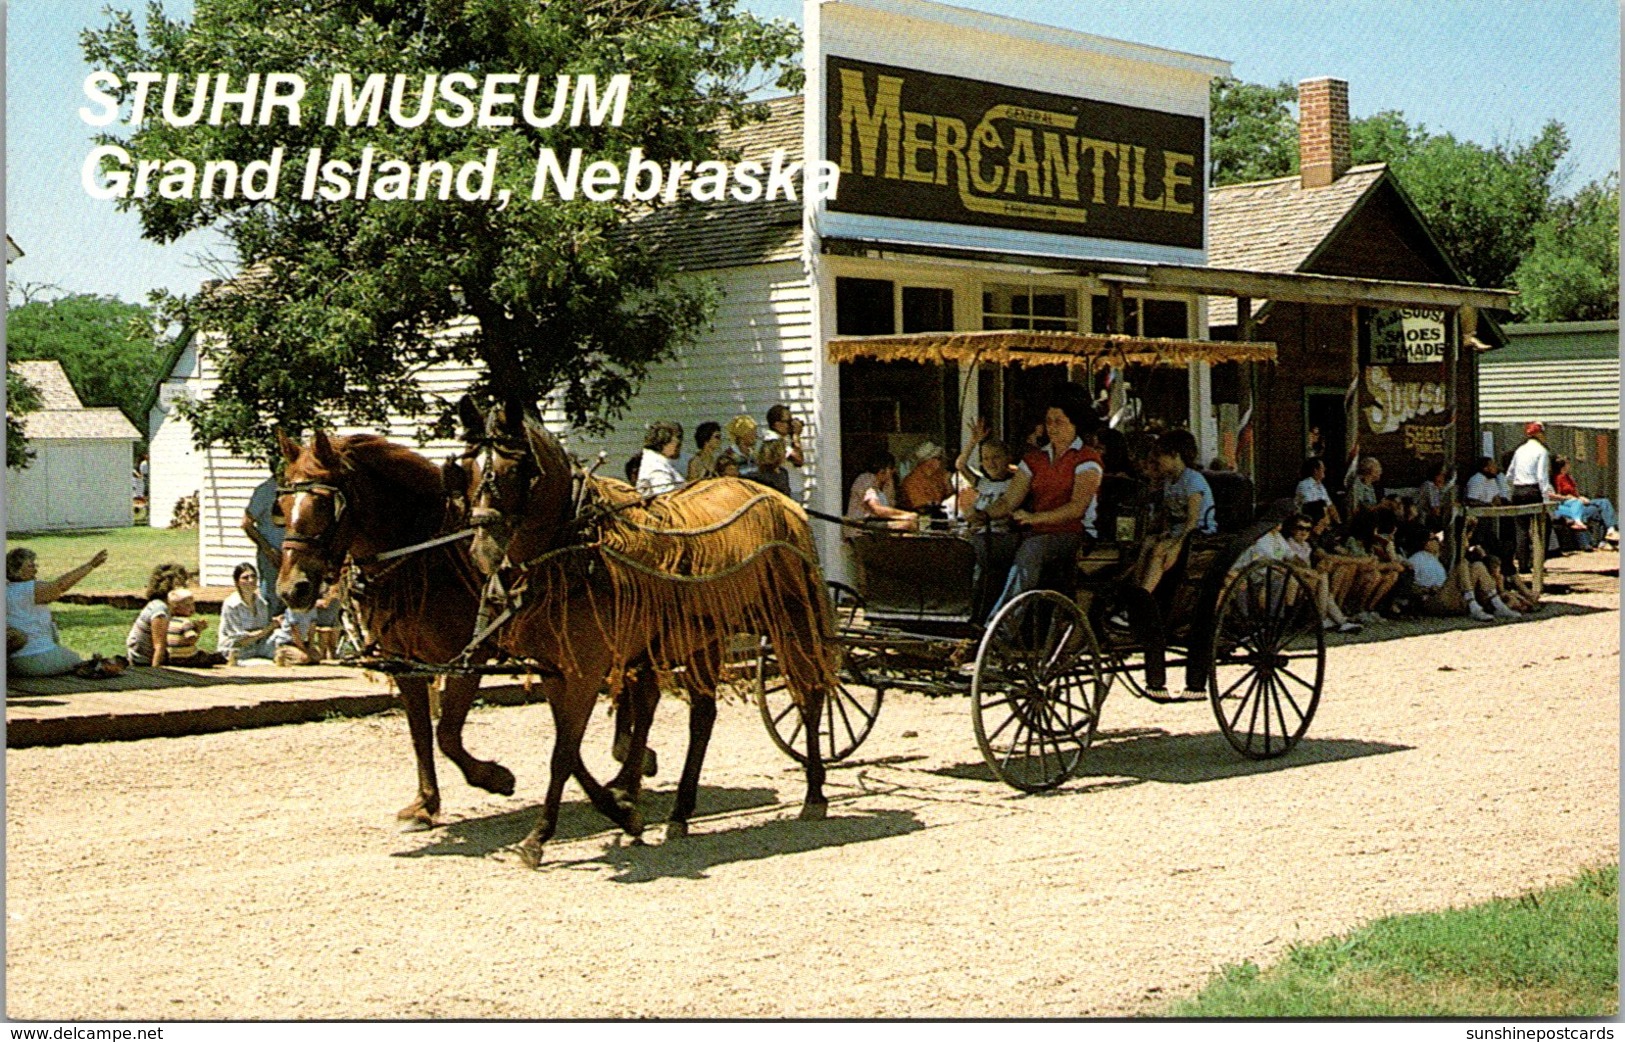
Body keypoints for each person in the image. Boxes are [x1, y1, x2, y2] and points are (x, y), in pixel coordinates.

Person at [985, 389, 1103, 618]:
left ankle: (999, 629)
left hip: (1073, 535)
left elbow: (1077, 508)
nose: (1052, 427)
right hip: (1035, 532)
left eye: (1059, 421)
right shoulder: (1035, 459)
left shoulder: (1087, 459)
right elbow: (1009, 500)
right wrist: (983, 514)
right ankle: (967, 618)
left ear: (1074, 424)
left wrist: (1033, 518)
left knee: (1032, 550)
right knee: (979, 545)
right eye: (1048, 421)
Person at [6, 546, 111, 677]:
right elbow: (60, 586)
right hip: (35, 658)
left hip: (12, 662)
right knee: (78, 660)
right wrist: (90, 565)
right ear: (17, 571)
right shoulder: (28, 589)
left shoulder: (7, 590)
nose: (35, 569)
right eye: (30, 566)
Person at [1134, 430, 1215, 596]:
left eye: (1160, 455)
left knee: (1159, 549)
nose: (1158, 461)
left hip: (1197, 532)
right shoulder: (1169, 481)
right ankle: (1136, 589)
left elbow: (1193, 519)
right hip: (1176, 530)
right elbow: (1167, 513)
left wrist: (1175, 547)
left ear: (1174, 455)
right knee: (1148, 543)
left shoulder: (1193, 480)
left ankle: (1144, 596)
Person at [956, 418, 1019, 625]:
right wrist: (973, 441)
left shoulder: (1016, 484)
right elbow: (960, 465)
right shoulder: (982, 482)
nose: (990, 463)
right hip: (977, 535)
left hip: (1000, 537)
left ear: (1007, 458)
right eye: (985, 459)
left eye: (996, 457)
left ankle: (974, 613)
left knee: (974, 553)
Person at [1406, 537, 1520, 621]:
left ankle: (1497, 605)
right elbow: (1408, 586)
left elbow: (1461, 545)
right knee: (1462, 563)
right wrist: (1427, 589)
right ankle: (1473, 605)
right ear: (1425, 543)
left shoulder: (1437, 559)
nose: (1437, 541)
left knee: (1477, 565)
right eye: (1433, 539)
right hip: (1432, 600)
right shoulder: (1415, 560)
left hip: (1452, 596)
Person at [126, 562, 196, 667]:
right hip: (143, 662)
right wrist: (157, 673)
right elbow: (159, 646)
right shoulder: (160, 610)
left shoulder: (161, 605)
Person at [242, 471, 286, 616]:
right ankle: (265, 634)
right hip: (271, 555)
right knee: (270, 599)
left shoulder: (294, 488)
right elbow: (247, 524)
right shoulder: (265, 491)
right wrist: (268, 550)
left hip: (293, 554)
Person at [218, 561, 279, 663]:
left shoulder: (262, 603)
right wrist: (269, 628)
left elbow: (264, 632)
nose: (251, 580)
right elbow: (239, 641)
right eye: (245, 577)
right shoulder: (231, 604)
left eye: (253, 576)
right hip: (236, 651)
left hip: (257, 648)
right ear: (237, 582)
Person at [844, 450, 916, 536]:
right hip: (861, 526)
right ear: (882, 470)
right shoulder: (865, 480)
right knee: (907, 524)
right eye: (891, 469)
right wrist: (905, 514)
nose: (893, 472)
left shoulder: (888, 484)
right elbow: (876, 508)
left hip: (878, 525)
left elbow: (890, 506)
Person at [1552, 455, 1619, 546]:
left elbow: (1575, 492)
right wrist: (1572, 498)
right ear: (1563, 466)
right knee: (1604, 502)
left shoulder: (1569, 477)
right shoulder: (1559, 478)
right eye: (1568, 464)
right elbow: (1559, 494)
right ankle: (1609, 532)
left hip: (1580, 502)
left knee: (1602, 512)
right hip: (1572, 505)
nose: (1570, 466)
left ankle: (1605, 538)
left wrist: (1580, 497)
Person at [161, 588, 226, 665]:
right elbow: (191, 640)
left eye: (193, 604)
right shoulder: (185, 622)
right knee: (214, 657)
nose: (192, 608)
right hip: (187, 657)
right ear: (176, 608)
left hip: (171, 657)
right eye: (187, 605)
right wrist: (199, 629)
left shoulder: (169, 620)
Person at [760, 404, 806, 499]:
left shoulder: (784, 439)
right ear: (777, 424)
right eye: (788, 421)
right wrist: (796, 435)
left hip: (791, 488)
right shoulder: (773, 441)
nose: (791, 425)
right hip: (785, 491)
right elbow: (798, 459)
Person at [900, 441, 953, 514]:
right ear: (929, 461)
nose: (941, 461)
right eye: (939, 458)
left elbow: (951, 501)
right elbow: (922, 509)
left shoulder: (939, 476)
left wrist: (948, 484)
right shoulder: (912, 481)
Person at [635, 420, 686, 497]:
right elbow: (667, 498)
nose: (678, 449)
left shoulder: (661, 461)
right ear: (664, 442)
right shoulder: (655, 466)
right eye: (677, 445)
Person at [272, 600, 323, 666]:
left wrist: (310, 647)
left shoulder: (312, 609)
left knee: (317, 657)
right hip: (287, 642)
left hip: (302, 642)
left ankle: (298, 656)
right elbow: (295, 634)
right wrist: (305, 651)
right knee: (304, 658)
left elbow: (312, 630)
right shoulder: (292, 610)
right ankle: (281, 655)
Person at [1294, 457, 1340, 525]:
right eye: (1322, 468)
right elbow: (1314, 507)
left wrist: (1338, 521)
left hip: (1323, 521)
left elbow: (1330, 504)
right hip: (1309, 521)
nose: (1325, 469)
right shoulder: (1304, 485)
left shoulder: (1321, 485)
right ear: (1315, 470)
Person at [1417, 460, 1451, 531]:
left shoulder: (1437, 488)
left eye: (1444, 476)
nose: (1442, 478)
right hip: (1423, 519)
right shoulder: (1430, 486)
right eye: (1440, 475)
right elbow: (1435, 510)